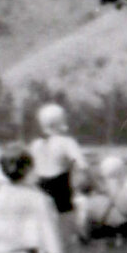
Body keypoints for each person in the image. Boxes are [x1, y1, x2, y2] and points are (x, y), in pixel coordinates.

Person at [28, 102, 86, 245]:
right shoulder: (66, 142)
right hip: (62, 195)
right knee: (65, 239)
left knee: (46, 238)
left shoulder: (35, 144)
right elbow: (83, 166)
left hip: (40, 193)